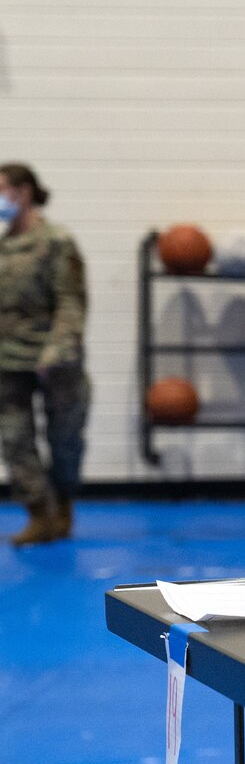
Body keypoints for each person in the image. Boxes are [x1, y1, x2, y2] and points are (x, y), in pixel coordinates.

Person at [0, 163, 89, 547]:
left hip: (55, 357)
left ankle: (63, 505)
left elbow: (70, 301)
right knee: (14, 437)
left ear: (22, 192)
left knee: (64, 437)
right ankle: (39, 513)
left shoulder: (56, 241)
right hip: (8, 358)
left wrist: (57, 351)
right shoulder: (3, 245)